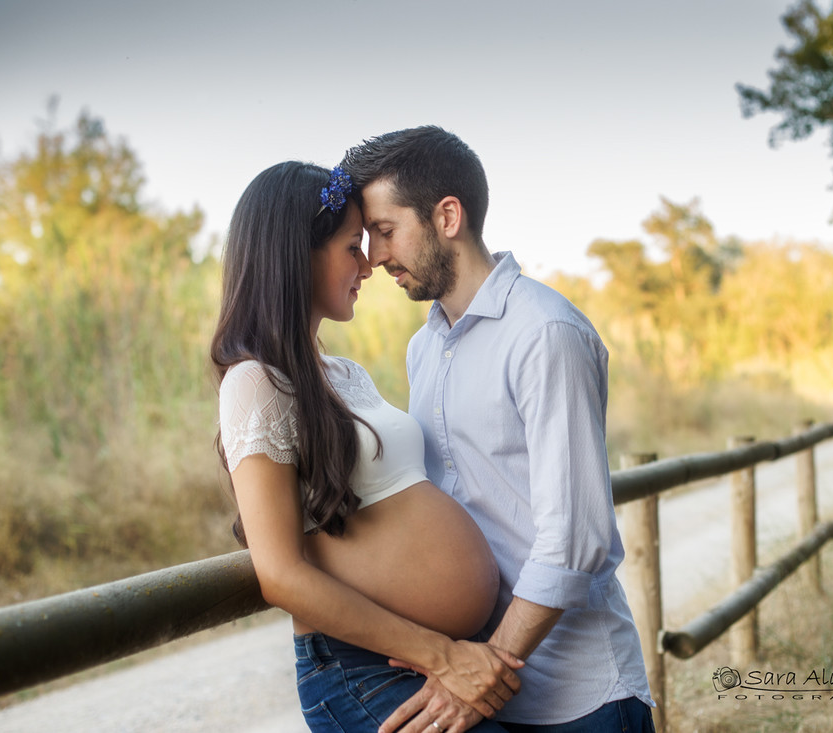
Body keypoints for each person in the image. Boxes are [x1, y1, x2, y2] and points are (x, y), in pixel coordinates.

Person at [341, 126, 655, 733]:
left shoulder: (545, 333)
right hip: (480, 688)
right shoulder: (423, 348)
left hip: (578, 698)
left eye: (385, 231)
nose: (375, 258)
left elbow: (576, 537)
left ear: (448, 216)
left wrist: (488, 669)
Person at [210, 161, 523, 733]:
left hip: (427, 652)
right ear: (294, 253)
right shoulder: (255, 383)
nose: (368, 265)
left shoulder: (344, 373)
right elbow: (279, 573)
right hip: (367, 667)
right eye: (352, 247)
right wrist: (443, 654)